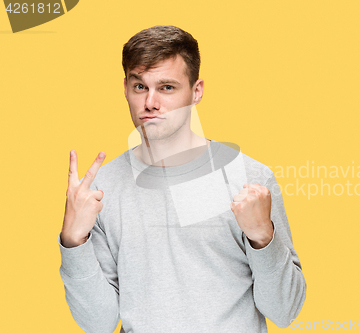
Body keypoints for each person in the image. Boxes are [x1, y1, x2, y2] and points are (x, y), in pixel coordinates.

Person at [58, 25, 306, 333]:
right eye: (140, 87)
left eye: (167, 88)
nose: (150, 103)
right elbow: (99, 323)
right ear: (125, 88)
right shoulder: (97, 192)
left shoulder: (250, 180)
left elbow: (285, 311)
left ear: (196, 90)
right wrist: (73, 243)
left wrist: (263, 238)